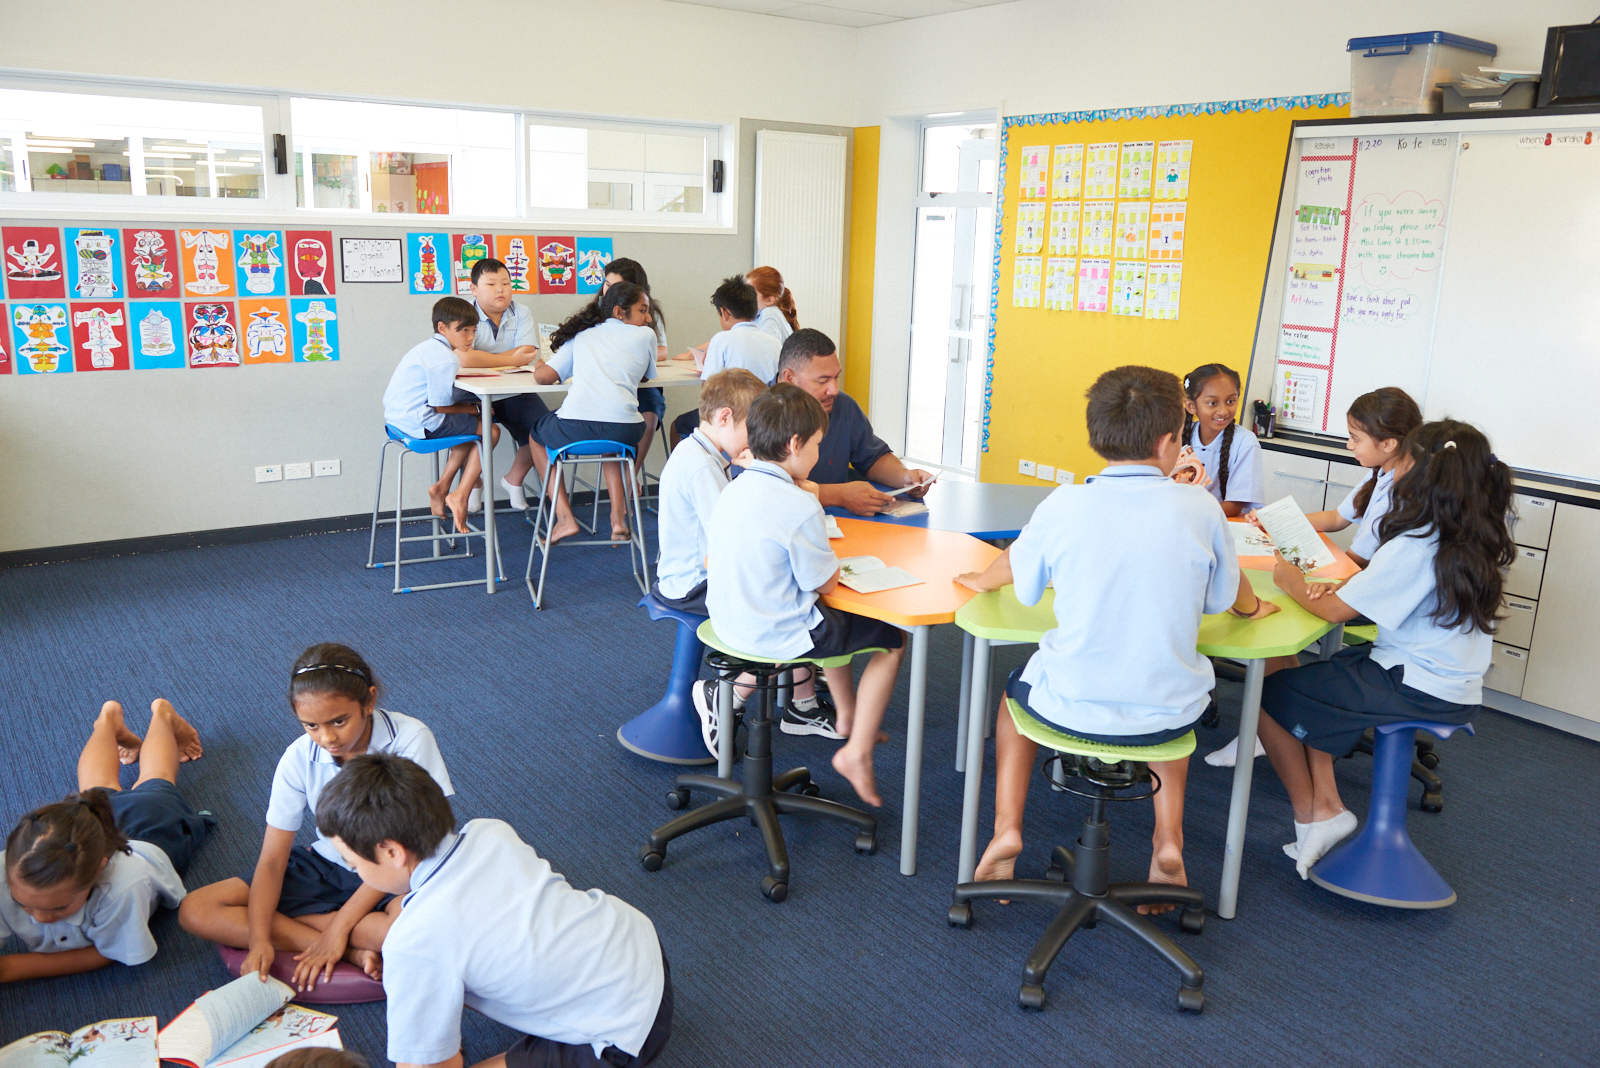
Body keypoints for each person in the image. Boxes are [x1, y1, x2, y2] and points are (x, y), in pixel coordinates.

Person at [954, 365, 1278, 904]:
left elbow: (1014, 564)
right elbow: (1233, 596)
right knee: (1172, 700)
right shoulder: (1199, 507)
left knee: (1012, 704)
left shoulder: (1064, 504)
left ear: (1096, 437)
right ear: (1169, 440)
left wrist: (979, 577)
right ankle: (1167, 840)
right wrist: (1257, 607)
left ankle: (1007, 829)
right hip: (1168, 711)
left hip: (1069, 704)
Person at [1256, 420, 1513, 877]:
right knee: (1322, 677)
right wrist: (1345, 589)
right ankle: (1329, 804)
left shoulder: (1416, 543)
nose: (1395, 472)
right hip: (1452, 682)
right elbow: (1376, 595)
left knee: (1267, 700)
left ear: (1422, 475)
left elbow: (1336, 613)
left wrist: (1289, 580)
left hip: (1414, 684)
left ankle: (1312, 816)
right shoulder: (1469, 536)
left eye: (1404, 463)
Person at [315, 754, 672, 1068]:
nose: (355, 872)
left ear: (392, 852)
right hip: (640, 944)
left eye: (352, 863)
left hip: (626, 1031)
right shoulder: (490, 831)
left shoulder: (414, 944)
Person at [178, 644, 454, 992]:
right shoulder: (296, 757)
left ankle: (308, 926)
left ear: (368, 701)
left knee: (409, 930)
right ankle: (351, 952)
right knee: (195, 909)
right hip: (327, 865)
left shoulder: (411, 739)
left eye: (339, 721)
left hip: (395, 869)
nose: (327, 738)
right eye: (311, 725)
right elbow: (273, 859)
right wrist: (260, 938)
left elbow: (410, 851)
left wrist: (337, 928)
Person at [706, 384, 908, 805]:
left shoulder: (734, 486)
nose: (819, 455)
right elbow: (826, 583)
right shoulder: (798, 506)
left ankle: (850, 716)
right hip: (773, 633)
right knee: (892, 639)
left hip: (726, 624)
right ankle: (857, 751)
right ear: (795, 445)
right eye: (816, 445)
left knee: (835, 623)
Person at [1204, 386, 1423, 769]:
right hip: (1355, 581)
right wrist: (1274, 522)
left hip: (1365, 594)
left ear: (1388, 443)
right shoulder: (1382, 473)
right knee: (1275, 600)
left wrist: (1302, 572)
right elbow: (1337, 519)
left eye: (1356, 438)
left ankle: (1267, 725)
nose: (1349, 445)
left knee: (1274, 611)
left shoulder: (1405, 493)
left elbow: (1359, 562)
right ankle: (1276, 718)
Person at [3, 698, 211, 981]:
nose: (39, 918)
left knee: (156, 777)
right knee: (94, 791)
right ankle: (107, 721)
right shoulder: (10, 870)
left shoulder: (122, 889)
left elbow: (107, 953)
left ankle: (162, 715)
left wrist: (10, 968)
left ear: (99, 870)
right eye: (22, 903)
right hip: (92, 826)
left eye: (58, 908)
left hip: (150, 831)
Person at [525, 281, 659, 543]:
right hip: (627, 429)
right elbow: (647, 376)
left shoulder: (583, 335)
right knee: (612, 445)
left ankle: (564, 518)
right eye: (643, 310)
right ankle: (618, 520)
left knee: (536, 437)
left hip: (576, 426)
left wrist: (538, 364)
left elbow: (544, 378)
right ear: (620, 312)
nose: (649, 318)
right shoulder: (647, 336)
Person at [776, 329, 935, 516]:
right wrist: (840, 495)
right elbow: (764, 489)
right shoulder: (757, 414)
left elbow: (872, 458)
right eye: (823, 380)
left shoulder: (842, 406)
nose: (833, 390)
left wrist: (904, 478)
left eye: (836, 377)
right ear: (789, 377)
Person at [381, 297, 501, 534]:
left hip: (397, 420)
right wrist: (474, 409)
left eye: (474, 330)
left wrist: (472, 410)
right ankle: (460, 495)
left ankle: (442, 487)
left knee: (472, 428)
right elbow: (441, 407)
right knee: (490, 429)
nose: (470, 337)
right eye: (463, 330)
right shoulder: (445, 358)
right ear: (442, 328)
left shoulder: (427, 348)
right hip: (422, 423)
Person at [652, 369, 765, 617]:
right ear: (725, 417)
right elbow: (729, 534)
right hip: (693, 586)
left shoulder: (699, 453)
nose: (757, 439)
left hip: (688, 579)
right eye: (753, 429)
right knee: (776, 591)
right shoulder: (701, 465)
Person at [458, 258, 546, 514]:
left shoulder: (522, 312)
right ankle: (474, 485)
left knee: (543, 429)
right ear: (473, 289)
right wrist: (509, 359)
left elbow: (528, 352)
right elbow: (465, 358)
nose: (501, 289)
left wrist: (484, 359)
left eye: (506, 283)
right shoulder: (463, 313)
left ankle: (513, 479)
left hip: (515, 389)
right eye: (491, 284)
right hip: (472, 393)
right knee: (471, 436)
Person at [667, 276, 781, 449]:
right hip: (768, 417)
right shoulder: (774, 342)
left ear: (725, 312)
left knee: (678, 425)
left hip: (734, 419)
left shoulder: (721, 339)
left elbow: (708, 391)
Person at [601, 259, 670, 484]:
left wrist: (637, 353)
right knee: (608, 418)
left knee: (649, 416)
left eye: (616, 286)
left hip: (641, 384)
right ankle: (619, 478)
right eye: (606, 284)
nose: (608, 290)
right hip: (609, 383)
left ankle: (632, 473)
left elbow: (662, 351)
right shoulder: (598, 312)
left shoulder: (649, 313)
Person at [1180, 363, 1263, 517]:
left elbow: (1235, 505)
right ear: (1191, 406)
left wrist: (1189, 513)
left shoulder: (1245, 442)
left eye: (1230, 401)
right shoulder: (1177, 437)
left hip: (1224, 524)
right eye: (1212, 403)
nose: (1223, 411)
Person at [746, 265, 798, 344]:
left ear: (770, 300)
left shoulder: (769, 313)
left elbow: (766, 350)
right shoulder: (771, 312)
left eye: (751, 293)